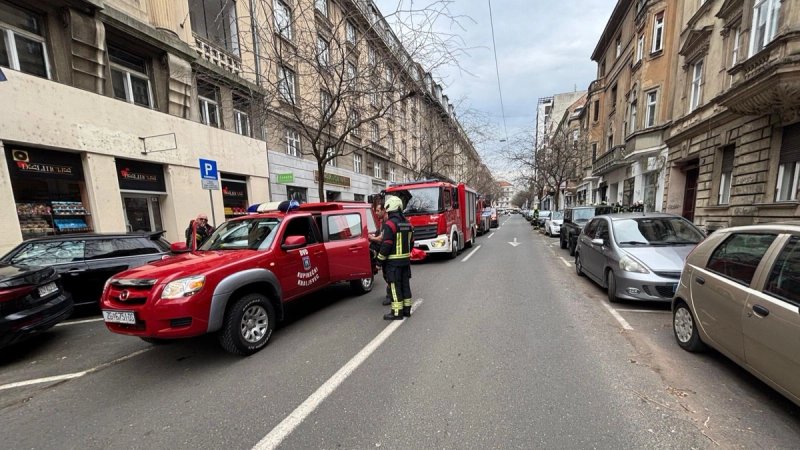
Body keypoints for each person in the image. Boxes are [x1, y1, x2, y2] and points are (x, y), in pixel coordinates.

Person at [376, 195, 414, 320]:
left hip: (393, 264)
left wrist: (379, 261)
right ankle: (407, 310)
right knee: (405, 285)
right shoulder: (407, 223)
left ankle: (397, 313)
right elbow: (412, 242)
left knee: (395, 287)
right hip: (406, 262)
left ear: (390, 207)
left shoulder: (390, 224)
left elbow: (386, 245)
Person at [368, 202, 392, 306]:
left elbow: (382, 239)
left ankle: (391, 296)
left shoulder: (388, 222)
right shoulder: (383, 222)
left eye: (378, 211)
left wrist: (371, 238)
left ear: (384, 210)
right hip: (385, 253)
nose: (376, 213)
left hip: (388, 254)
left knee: (389, 276)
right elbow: (380, 234)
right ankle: (392, 294)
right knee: (387, 275)